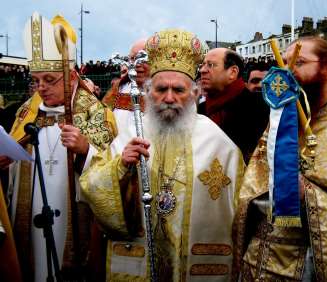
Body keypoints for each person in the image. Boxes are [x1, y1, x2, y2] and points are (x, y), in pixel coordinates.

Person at [80, 29, 244, 281]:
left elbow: (240, 214)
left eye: (178, 89)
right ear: (148, 91)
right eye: (161, 89)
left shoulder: (219, 144)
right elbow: (92, 185)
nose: (169, 98)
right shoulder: (132, 130)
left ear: (194, 93)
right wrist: (120, 166)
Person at [0, 12, 116, 281]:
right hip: (28, 219)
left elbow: (113, 171)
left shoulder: (96, 114)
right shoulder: (26, 112)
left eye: (50, 80)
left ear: (72, 76)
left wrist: (86, 151)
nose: (41, 88)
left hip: (74, 219)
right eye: (36, 80)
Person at [232, 36, 327, 281]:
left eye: (299, 62)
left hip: (306, 263)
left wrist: (307, 193)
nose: (287, 71)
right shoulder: (280, 121)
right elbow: (253, 184)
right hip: (258, 259)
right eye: (284, 62)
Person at [200, 48, 269, 163]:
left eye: (211, 65)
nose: (202, 70)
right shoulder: (199, 110)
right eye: (202, 65)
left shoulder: (260, 108)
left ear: (232, 72)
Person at [102, 38, 150, 111]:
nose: (136, 64)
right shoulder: (117, 89)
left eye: (142, 58)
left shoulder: (165, 91)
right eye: (133, 58)